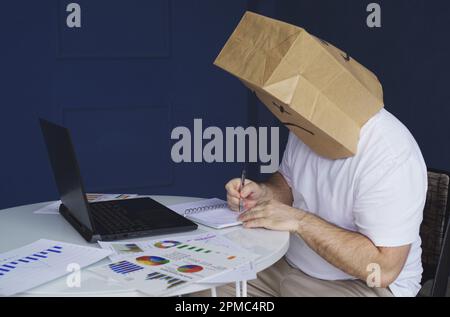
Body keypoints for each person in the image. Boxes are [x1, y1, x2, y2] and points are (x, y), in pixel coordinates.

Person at [223, 108, 427, 297]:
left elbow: (383, 269)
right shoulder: (305, 122)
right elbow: (288, 184)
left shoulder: (390, 154)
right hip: (285, 264)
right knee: (208, 291)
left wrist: (301, 221)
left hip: (363, 284)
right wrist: (264, 194)